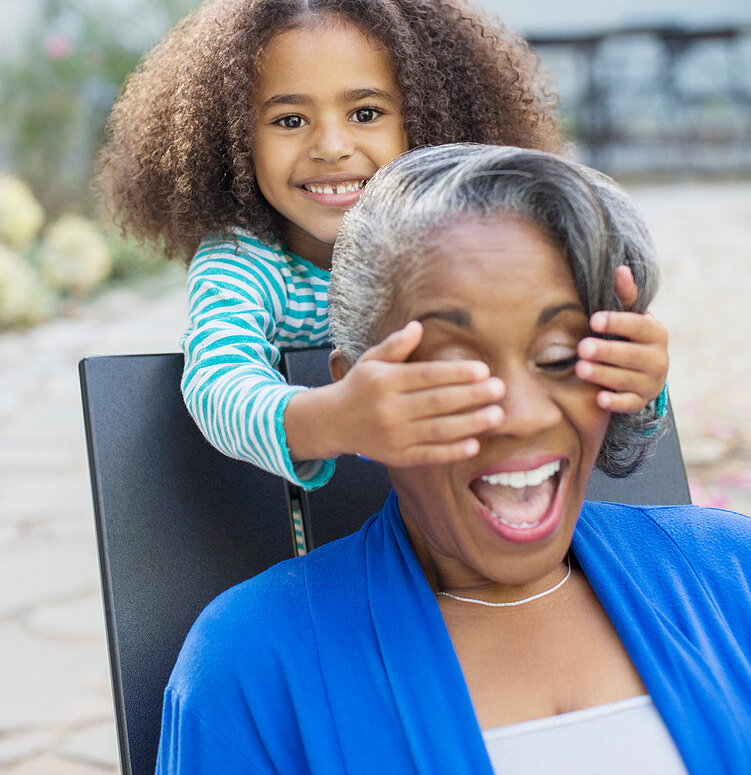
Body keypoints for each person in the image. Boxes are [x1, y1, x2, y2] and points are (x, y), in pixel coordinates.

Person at [156, 145, 751, 775]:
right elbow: (222, 380)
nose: (522, 414)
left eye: (558, 357)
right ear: (356, 393)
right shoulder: (250, 667)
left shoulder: (733, 575)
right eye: (453, 374)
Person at [98, 0, 667, 488]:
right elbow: (217, 381)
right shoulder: (247, 262)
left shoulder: (478, 241)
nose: (331, 147)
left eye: (366, 114)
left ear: (427, 121)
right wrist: (334, 418)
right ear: (232, 142)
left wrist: (635, 386)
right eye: (290, 120)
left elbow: (585, 401)